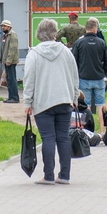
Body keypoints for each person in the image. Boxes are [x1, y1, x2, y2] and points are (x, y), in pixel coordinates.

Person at [23, 18, 79, 185]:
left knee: (48, 138)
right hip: (64, 100)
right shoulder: (66, 52)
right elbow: (74, 75)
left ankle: (48, 176)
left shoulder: (33, 54)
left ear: (39, 34)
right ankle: (65, 175)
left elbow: (29, 79)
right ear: (55, 33)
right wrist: (74, 97)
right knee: (63, 137)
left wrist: (27, 102)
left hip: (43, 102)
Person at [72, 18, 107, 112]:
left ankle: (88, 125)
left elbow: (73, 61)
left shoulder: (78, 43)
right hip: (98, 77)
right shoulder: (102, 42)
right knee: (101, 104)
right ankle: (102, 126)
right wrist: (103, 72)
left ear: (86, 29)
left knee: (86, 104)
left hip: (83, 77)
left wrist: (78, 74)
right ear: (94, 29)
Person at [0, 20, 20, 103]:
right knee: (9, 79)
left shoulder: (12, 35)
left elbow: (12, 49)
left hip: (10, 61)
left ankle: (14, 97)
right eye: (2, 26)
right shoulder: (5, 35)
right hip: (6, 60)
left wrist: (9, 60)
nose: (3, 27)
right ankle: (10, 97)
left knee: (12, 79)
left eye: (4, 26)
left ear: (9, 27)